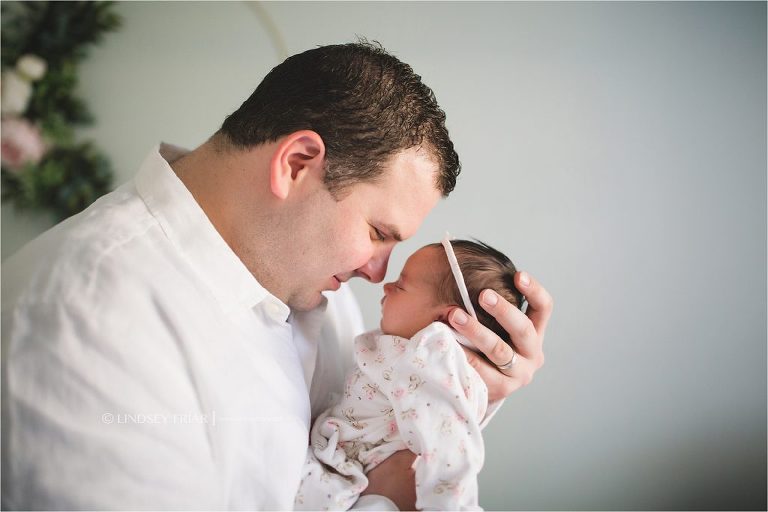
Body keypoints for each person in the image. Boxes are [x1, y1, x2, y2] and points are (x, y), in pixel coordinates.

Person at [1, 41, 551, 510]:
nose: (377, 271)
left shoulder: (317, 285)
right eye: (378, 231)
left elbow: (363, 439)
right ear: (296, 164)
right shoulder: (82, 321)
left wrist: (470, 383)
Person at [295, 238, 525, 511]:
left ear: (443, 321)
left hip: (353, 478)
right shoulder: (412, 352)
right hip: (346, 461)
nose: (386, 285)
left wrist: (449, 505)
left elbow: (449, 444)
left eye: (401, 285)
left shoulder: (433, 355)